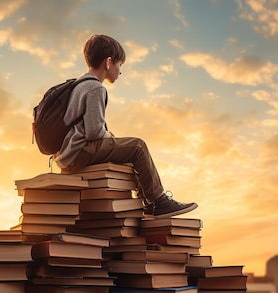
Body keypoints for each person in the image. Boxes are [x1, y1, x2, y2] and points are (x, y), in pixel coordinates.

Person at [54, 34, 197, 219]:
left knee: (128, 154)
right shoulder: (95, 88)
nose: (120, 72)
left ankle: (148, 202)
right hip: (80, 152)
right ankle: (158, 202)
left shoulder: (79, 84)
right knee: (137, 146)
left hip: (68, 154)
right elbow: (94, 132)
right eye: (120, 65)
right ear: (108, 62)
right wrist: (111, 137)